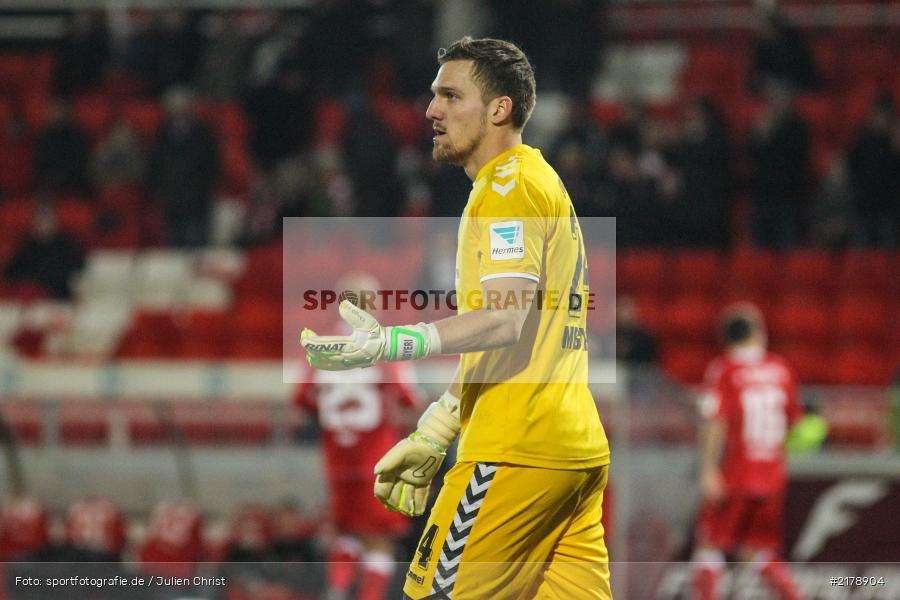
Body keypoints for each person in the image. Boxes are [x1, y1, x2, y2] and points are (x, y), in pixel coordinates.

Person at [301, 36, 611, 599]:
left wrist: (391, 343)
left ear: (500, 109)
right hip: (571, 448)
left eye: (450, 95)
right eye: (432, 95)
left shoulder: (505, 190)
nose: (431, 110)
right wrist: (442, 422)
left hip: (515, 448)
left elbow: (504, 320)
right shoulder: (535, 180)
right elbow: (511, 340)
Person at [295, 274, 422, 600]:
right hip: (376, 459)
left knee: (347, 533)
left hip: (337, 458)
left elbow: (301, 396)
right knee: (380, 540)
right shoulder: (386, 344)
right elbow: (409, 398)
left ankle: (337, 590)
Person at [692, 305, 805, 600]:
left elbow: (716, 419)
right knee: (757, 551)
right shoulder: (781, 369)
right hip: (771, 476)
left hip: (735, 474)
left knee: (709, 547)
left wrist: (707, 468)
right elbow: (794, 423)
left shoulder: (725, 369)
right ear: (757, 332)